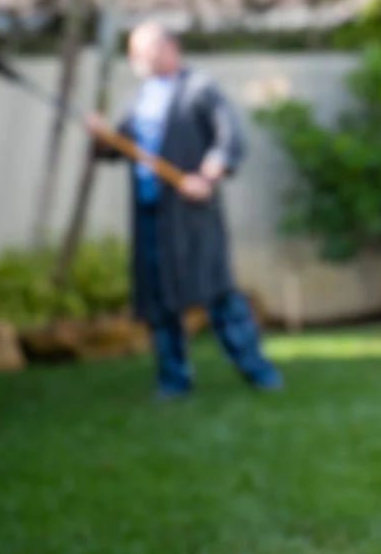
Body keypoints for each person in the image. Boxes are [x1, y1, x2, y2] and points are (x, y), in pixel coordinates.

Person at [87, 24, 283, 398]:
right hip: (151, 212)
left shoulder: (199, 89)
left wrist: (206, 176)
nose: (137, 59)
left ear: (170, 48)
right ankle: (174, 379)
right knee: (160, 297)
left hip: (192, 213)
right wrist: (102, 136)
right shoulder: (139, 98)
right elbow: (117, 149)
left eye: (144, 50)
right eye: (133, 53)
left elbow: (229, 138)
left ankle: (258, 370)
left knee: (217, 290)